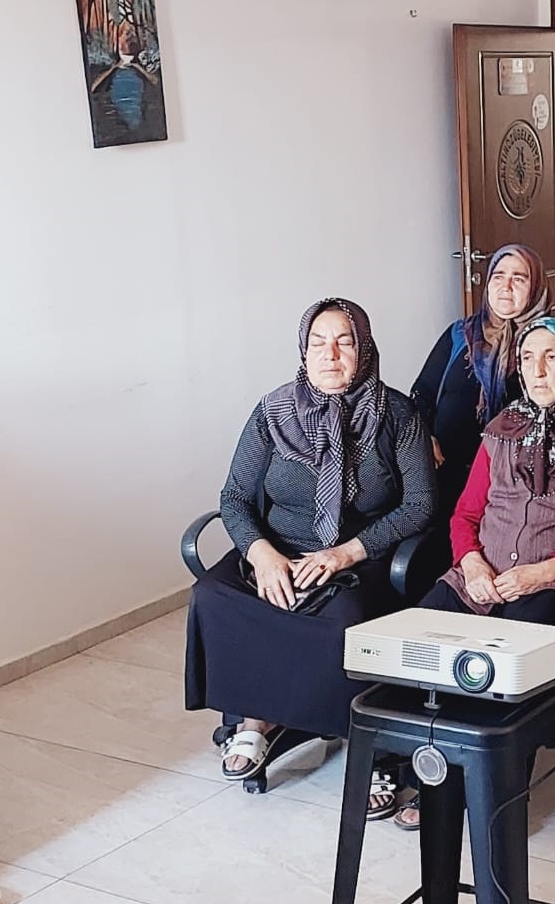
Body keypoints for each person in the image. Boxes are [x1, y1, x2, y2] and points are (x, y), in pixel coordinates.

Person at [185, 298, 436, 819]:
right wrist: (264, 556)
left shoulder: (397, 415)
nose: (330, 354)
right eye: (318, 342)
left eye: (344, 342)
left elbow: (420, 505)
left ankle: (375, 749)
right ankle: (256, 719)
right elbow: (234, 496)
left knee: (345, 621)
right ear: (303, 350)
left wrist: (345, 553)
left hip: (358, 557)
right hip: (277, 550)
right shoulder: (274, 412)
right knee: (213, 596)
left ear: (363, 349)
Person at [423, 318, 555, 635]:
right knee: (420, 640)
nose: (539, 371)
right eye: (528, 358)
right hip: (480, 580)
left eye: (552, 356)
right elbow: (465, 515)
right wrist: (472, 563)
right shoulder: (501, 430)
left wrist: (541, 573)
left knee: (508, 653)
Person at [412, 243, 549, 514]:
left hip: (513, 488)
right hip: (445, 476)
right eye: (498, 276)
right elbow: (422, 393)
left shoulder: (548, 343)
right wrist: (424, 435)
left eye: (519, 278)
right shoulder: (460, 334)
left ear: (535, 289)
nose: (506, 286)